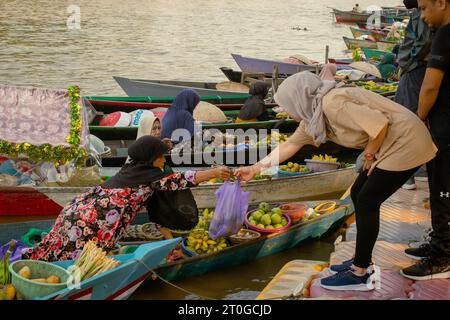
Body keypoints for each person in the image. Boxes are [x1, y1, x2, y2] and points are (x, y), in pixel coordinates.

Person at [235, 71, 436, 291]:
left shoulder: (332, 103)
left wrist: (369, 154)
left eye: (286, 105)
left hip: (406, 141)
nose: (286, 111)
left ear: (299, 99)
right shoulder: (313, 117)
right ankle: (362, 262)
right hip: (389, 145)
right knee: (359, 193)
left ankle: (360, 272)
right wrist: (254, 169)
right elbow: (290, 145)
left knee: (368, 200)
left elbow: (379, 124)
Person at [22, 136, 231, 261]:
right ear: (151, 158)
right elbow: (183, 179)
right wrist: (213, 173)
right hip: (90, 222)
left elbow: (145, 149)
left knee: (53, 252)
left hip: (75, 210)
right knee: (77, 264)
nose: (164, 159)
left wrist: (163, 142)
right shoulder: (151, 178)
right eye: (161, 155)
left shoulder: (131, 166)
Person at [401, 0, 450, 281]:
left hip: (444, 129)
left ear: (441, 3)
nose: (422, 15)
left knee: (442, 193)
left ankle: (441, 257)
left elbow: (430, 84)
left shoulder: (444, 35)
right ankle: (439, 244)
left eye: (423, 8)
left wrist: (419, 117)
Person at [395, 0, 434, 190]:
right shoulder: (422, 10)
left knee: (406, 120)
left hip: (415, 70)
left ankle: (408, 174)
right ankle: (420, 170)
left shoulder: (422, 11)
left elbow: (424, 42)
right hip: (419, 69)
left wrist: (408, 62)